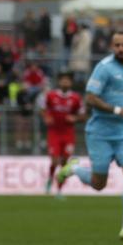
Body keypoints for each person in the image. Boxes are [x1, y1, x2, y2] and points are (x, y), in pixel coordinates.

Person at [57, 31, 123, 241]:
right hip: (100, 132)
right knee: (99, 184)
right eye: (117, 45)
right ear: (111, 46)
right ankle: (74, 168)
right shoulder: (104, 68)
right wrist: (117, 110)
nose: (121, 49)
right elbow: (89, 98)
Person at [40, 71, 85, 199]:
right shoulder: (51, 96)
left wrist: (75, 118)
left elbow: (83, 116)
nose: (65, 82)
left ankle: (59, 190)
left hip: (68, 134)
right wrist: (46, 117)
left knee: (65, 163)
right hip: (54, 133)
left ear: (71, 83)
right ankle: (50, 179)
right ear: (59, 82)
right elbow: (42, 109)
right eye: (63, 80)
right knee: (54, 160)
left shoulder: (76, 98)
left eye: (68, 80)